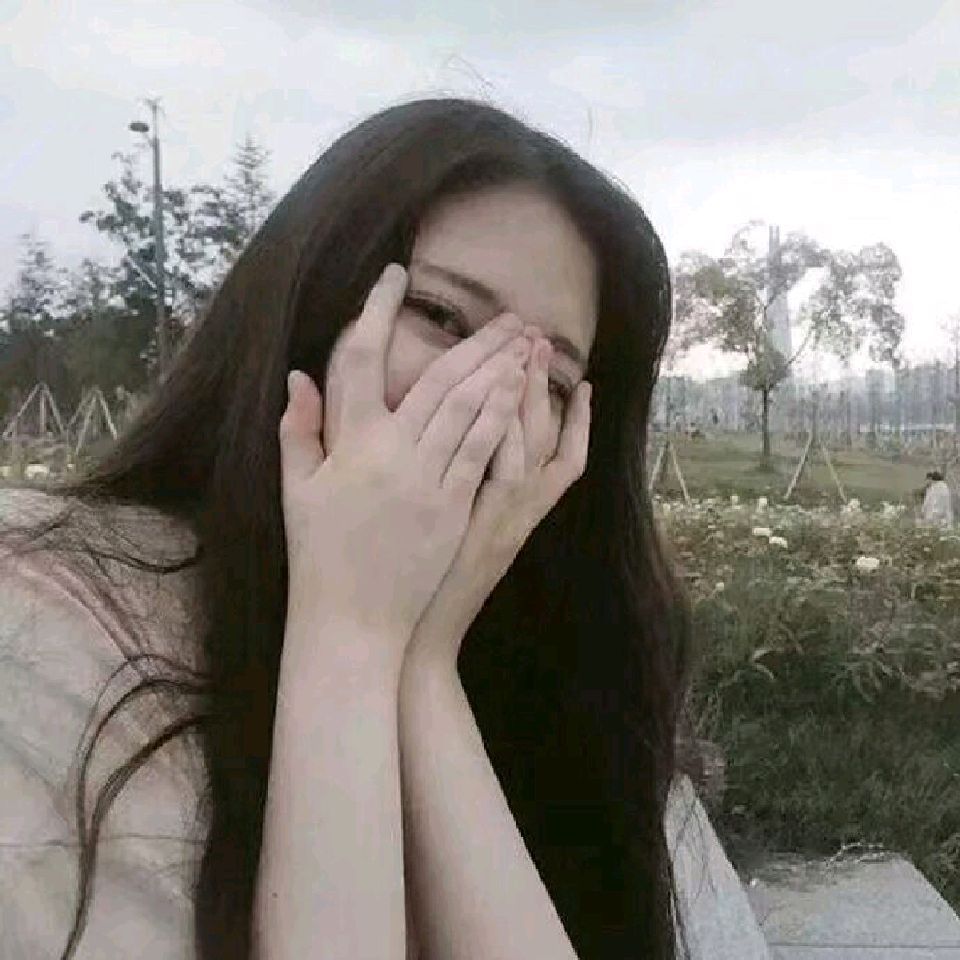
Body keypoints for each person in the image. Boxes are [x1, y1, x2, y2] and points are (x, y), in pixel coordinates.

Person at [0, 98, 771, 960]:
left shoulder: (571, 682)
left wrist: (421, 653)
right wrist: (354, 621)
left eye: (551, 381)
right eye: (443, 318)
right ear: (311, 306)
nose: (491, 397)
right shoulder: (44, 625)